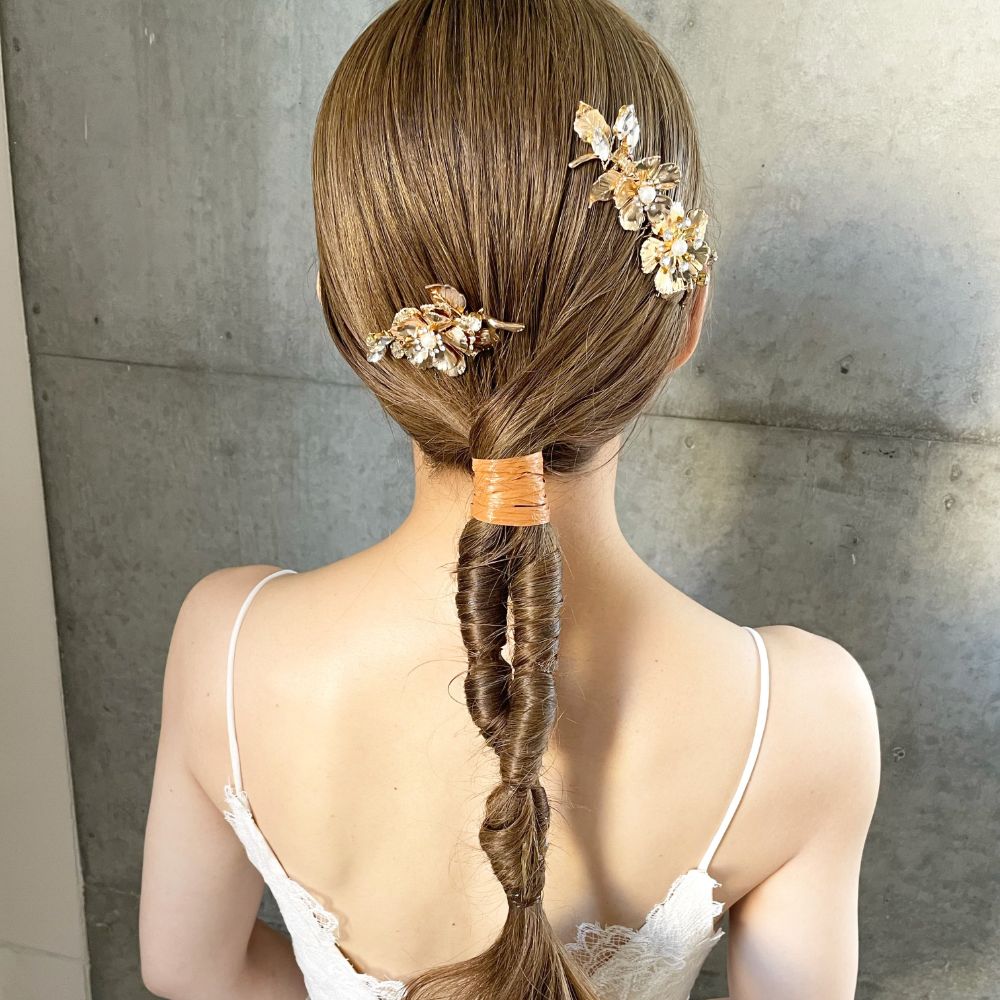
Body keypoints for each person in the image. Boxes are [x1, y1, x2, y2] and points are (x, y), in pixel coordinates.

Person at [138, 1, 880, 998]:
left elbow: (189, 970)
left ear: (343, 318)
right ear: (686, 320)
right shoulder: (806, 717)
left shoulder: (226, 645)